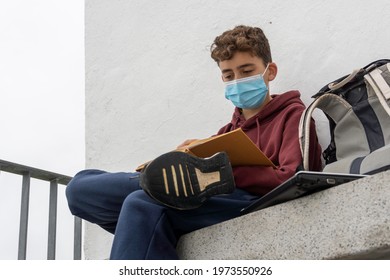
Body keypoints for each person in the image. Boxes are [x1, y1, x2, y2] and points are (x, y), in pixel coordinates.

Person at [66, 25, 322, 260]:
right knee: (82, 192)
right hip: (212, 199)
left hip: (253, 203)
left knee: (139, 202)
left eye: (246, 71)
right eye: (228, 75)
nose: (237, 81)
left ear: (270, 71)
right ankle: (159, 179)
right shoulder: (227, 131)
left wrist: (223, 168)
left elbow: (294, 179)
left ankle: (163, 180)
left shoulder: (294, 116)